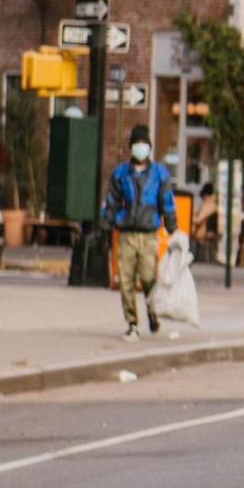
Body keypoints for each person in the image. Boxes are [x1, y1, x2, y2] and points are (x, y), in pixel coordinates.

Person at [102, 124, 177, 341]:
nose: (140, 148)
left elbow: (166, 201)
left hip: (148, 232)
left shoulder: (159, 174)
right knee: (125, 280)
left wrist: (171, 225)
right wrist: (109, 221)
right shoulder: (121, 174)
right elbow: (113, 202)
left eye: (143, 144)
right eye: (137, 143)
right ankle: (132, 323)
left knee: (148, 277)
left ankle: (153, 312)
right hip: (127, 233)